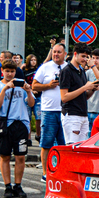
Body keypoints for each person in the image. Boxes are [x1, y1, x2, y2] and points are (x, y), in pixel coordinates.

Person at [0, 60, 34, 198]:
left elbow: (31, 103)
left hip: (21, 123)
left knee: (20, 156)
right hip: (5, 124)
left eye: (12, 71)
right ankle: (7, 186)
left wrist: (28, 91)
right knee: (5, 155)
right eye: (7, 71)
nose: (9, 74)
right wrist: (5, 89)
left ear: (15, 72)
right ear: (2, 71)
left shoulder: (21, 84)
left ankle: (18, 185)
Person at [32, 43, 67, 181]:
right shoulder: (45, 67)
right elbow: (34, 85)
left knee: (64, 145)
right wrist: (48, 85)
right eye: (54, 52)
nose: (56, 54)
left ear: (65, 54)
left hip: (65, 111)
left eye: (59, 52)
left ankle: (62, 171)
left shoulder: (68, 68)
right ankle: (45, 173)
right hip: (49, 110)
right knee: (46, 143)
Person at [59, 43, 99, 144]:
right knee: (72, 147)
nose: (85, 59)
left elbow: (83, 96)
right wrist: (85, 87)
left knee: (82, 148)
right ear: (75, 54)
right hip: (71, 114)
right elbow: (64, 97)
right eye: (83, 56)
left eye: (87, 57)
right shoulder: (66, 71)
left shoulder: (81, 71)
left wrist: (92, 89)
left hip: (83, 114)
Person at [23, 54, 41, 142]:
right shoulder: (24, 71)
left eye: (35, 60)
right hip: (28, 95)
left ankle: (38, 134)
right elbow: (23, 83)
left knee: (39, 116)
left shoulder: (39, 70)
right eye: (31, 60)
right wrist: (30, 89)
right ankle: (28, 137)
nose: (33, 62)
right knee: (28, 117)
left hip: (38, 96)